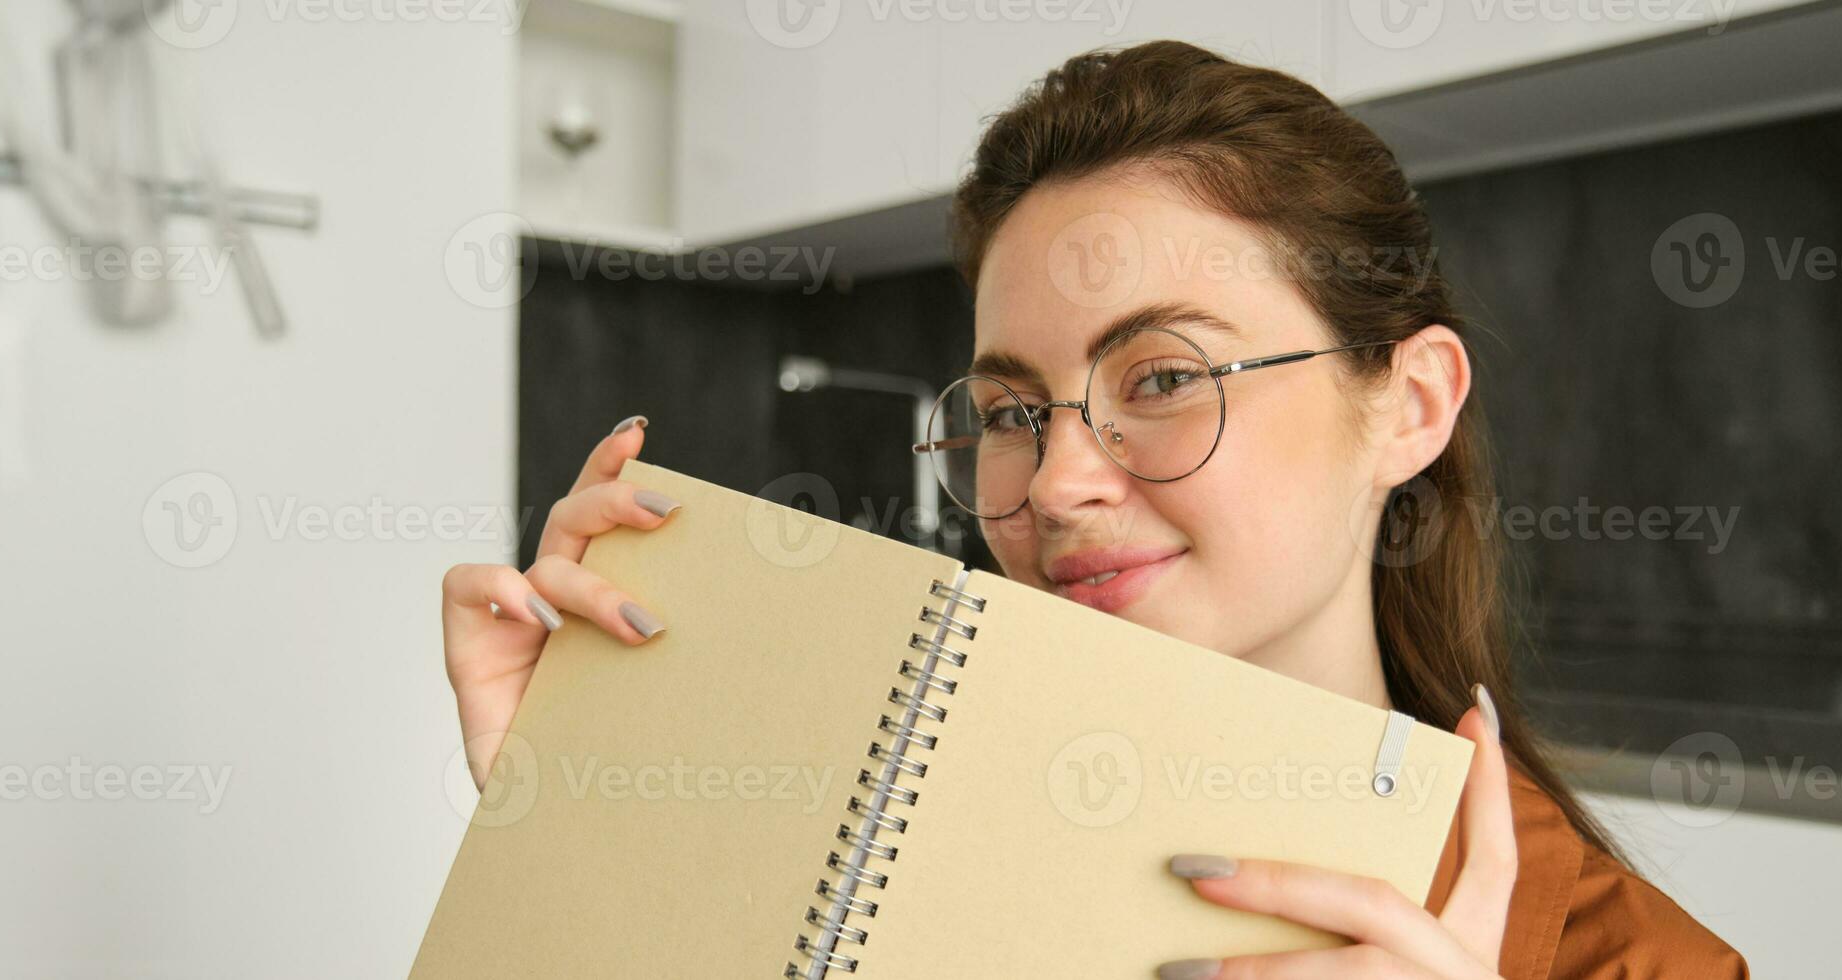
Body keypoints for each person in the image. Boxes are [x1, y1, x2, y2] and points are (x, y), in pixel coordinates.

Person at [442, 40, 1745, 980]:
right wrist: (575, 851)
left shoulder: (1635, 968)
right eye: (1012, 411)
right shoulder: (869, 854)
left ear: (1409, 407)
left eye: (1165, 379)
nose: (1057, 484)